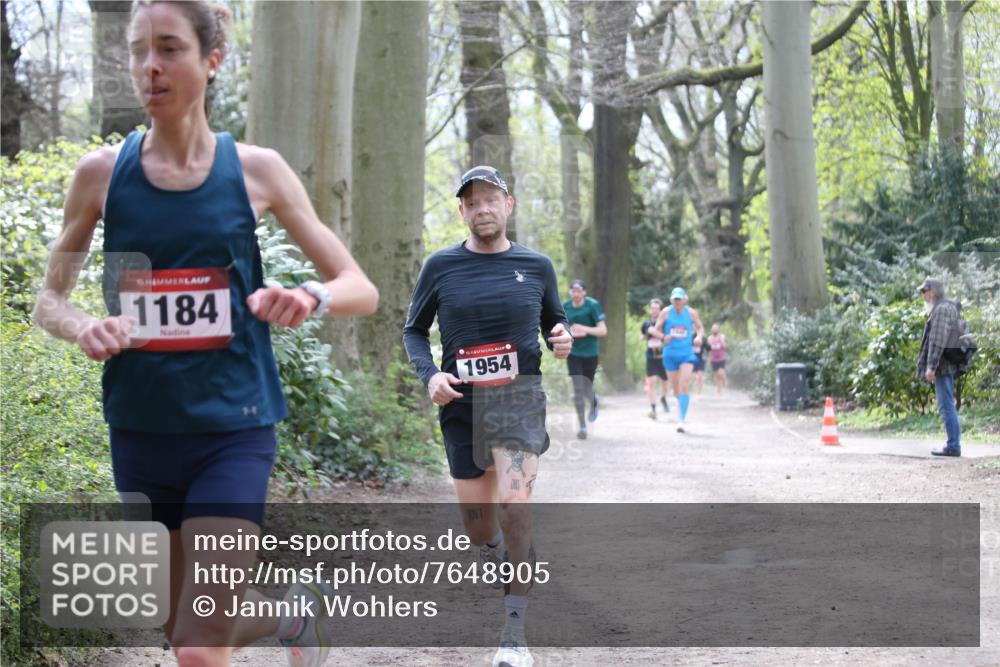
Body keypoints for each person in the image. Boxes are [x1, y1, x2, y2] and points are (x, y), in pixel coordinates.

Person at [32, 2, 379, 666]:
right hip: (139, 428)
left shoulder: (257, 171)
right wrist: (82, 326)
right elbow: (49, 299)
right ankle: (289, 615)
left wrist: (309, 294)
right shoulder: (101, 176)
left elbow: (359, 286)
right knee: (179, 628)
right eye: (138, 51)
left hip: (233, 428)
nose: (150, 67)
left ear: (212, 60)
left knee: (195, 646)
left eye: (169, 48)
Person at [403, 165, 573, 667]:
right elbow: (413, 331)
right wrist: (431, 375)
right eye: (472, 202)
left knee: (516, 507)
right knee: (479, 526)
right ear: (462, 211)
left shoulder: (537, 266)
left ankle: (514, 634)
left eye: (490, 200)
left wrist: (560, 336)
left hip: (518, 399)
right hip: (462, 405)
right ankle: (497, 548)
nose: (482, 209)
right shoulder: (441, 267)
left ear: (508, 205)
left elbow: (554, 322)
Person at [916, 278, 962, 457]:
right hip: (947, 365)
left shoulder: (942, 310)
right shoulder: (948, 307)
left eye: (924, 291)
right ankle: (953, 443)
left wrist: (931, 367)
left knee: (945, 405)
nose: (923, 296)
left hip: (942, 366)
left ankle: (953, 445)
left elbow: (937, 340)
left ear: (933, 292)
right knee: (947, 404)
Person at [650, 287, 705, 433]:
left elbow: (700, 328)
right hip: (670, 355)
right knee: (675, 390)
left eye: (680, 299)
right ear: (672, 300)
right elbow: (655, 330)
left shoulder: (691, 313)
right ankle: (680, 405)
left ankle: (681, 420)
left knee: (684, 384)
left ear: (685, 299)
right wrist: (663, 337)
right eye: (675, 300)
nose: (677, 302)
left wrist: (699, 337)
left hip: (686, 354)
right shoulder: (666, 312)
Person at [563, 279, 607, 439]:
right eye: (573, 290)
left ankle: (594, 401)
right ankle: (582, 426)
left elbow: (603, 331)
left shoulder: (592, 305)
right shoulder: (565, 307)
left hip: (590, 353)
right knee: (578, 389)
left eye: (579, 290)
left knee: (587, 387)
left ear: (584, 292)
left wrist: (584, 329)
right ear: (570, 292)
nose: (576, 293)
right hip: (573, 353)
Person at [640, 298, 670, 419]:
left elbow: (669, 337)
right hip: (651, 355)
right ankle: (653, 408)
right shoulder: (646, 324)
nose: (654, 311)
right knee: (651, 383)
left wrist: (660, 337)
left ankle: (663, 398)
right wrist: (646, 336)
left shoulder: (665, 323)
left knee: (665, 382)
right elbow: (641, 337)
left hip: (663, 355)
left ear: (660, 310)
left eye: (657, 308)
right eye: (652, 308)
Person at [707, 323, 728, 394]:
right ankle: (719, 390)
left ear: (718, 329)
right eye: (713, 328)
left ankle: (725, 380)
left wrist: (721, 341)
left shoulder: (722, 337)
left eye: (716, 328)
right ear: (711, 330)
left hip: (721, 358)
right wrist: (710, 356)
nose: (714, 329)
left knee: (721, 372)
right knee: (716, 375)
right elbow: (709, 349)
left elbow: (725, 347)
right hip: (713, 359)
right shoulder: (709, 338)